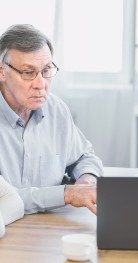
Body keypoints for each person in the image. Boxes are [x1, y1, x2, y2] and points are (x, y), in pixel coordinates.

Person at [0, 24, 103, 215]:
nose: (41, 85)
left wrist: (86, 181)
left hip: (51, 228)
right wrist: (67, 194)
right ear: (2, 72)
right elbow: (5, 200)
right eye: (28, 72)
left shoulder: (56, 109)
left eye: (46, 70)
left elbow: (84, 156)